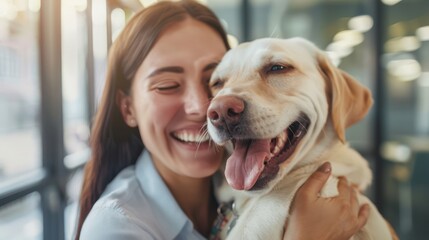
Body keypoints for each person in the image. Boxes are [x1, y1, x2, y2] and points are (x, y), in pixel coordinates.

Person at [75, 1, 369, 239]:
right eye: (166, 85)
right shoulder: (117, 228)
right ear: (128, 109)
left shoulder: (227, 190)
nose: (206, 108)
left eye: (211, 81)